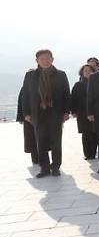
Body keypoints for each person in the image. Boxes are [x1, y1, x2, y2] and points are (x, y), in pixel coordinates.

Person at [21, 49, 70, 178]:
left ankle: (55, 167)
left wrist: (66, 111)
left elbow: (66, 94)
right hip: (37, 113)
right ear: (37, 61)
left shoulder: (61, 74)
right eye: (42, 59)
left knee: (56, 141)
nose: (45, 61)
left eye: (47, 58)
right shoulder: (30, 75)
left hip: (56, 112)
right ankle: (44, 168)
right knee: (40, 141)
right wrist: (25, 113)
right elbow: (25, 95)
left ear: (52, 59)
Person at [70, 64, 96, 160]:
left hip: (95, 112)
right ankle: (87, 153)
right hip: (82, 112)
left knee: (94, 133)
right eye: (86, 71)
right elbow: (72, 99)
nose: (88, 73)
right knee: (86, 133)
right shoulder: (78, 85)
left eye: (90, 71)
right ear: (82, 73)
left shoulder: (96, 83)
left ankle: (93, 152)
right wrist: (73, 111)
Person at [16, 83, 39, 165]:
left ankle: (42, 158)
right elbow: (20, 103)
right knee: (31, 138)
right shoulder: (24, 88)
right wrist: (21, 117)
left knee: (41, 138)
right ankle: (35, 158)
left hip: (39, 116)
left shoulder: (40, 85)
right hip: (28, 118)